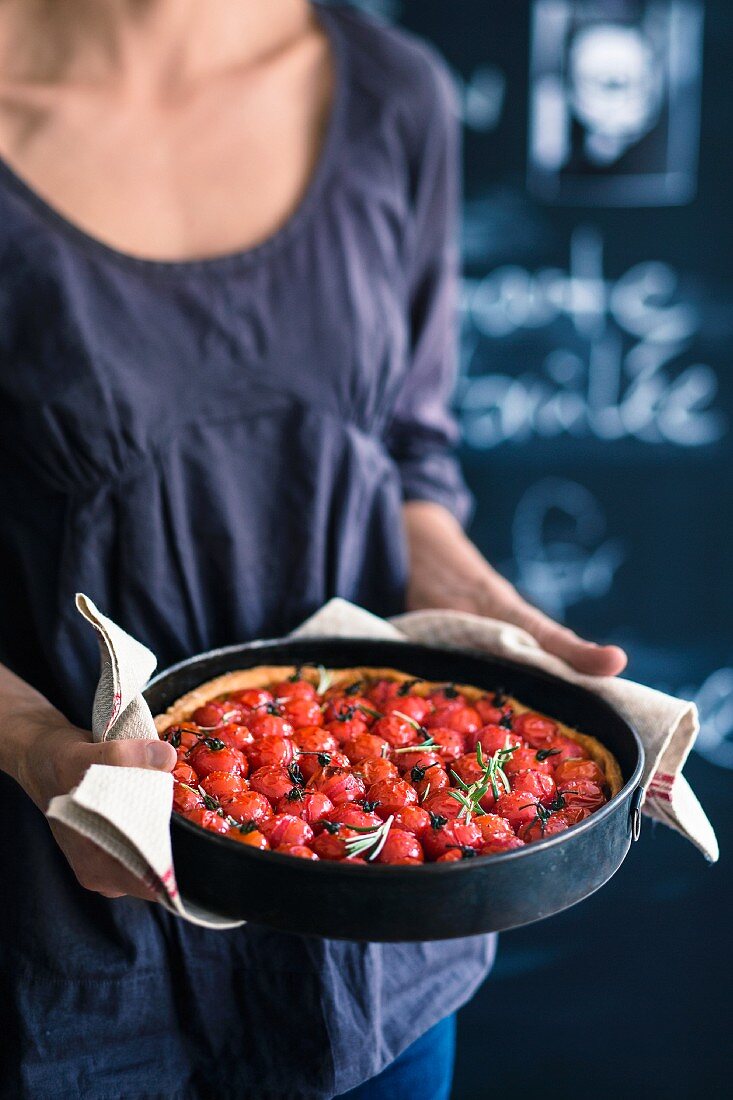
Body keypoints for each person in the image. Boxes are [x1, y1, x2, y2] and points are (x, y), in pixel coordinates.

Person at [0, 2, 627, 1097]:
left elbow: (406, 461)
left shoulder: (395, 96)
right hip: (65, 957)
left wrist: (487, 614)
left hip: (382, 959)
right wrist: (41, 749)